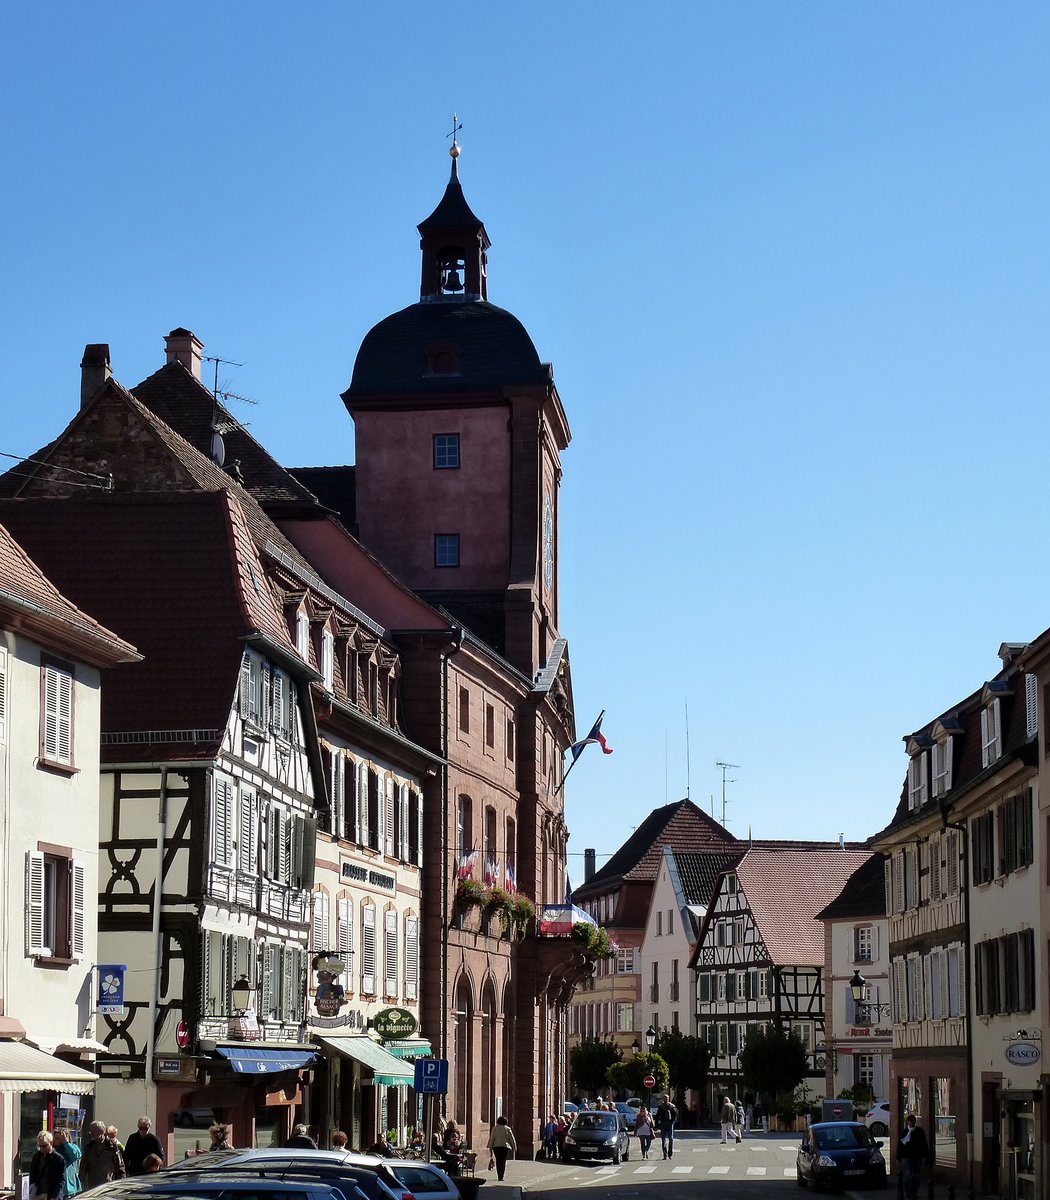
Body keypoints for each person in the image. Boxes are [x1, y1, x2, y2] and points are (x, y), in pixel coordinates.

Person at [79, 1121, 125, 1190]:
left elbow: (120, 1165)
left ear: (102, 1131)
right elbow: (83, 1165)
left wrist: (121, 1181)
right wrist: (81, 1180)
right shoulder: (89, 1147)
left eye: (94, 1131)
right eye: (91, 1131)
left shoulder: (112, 1146)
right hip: (92, 1185)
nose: (91, 1133)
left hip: (107, 1184)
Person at [897, 1114, 931, 1200]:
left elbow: (924, 1144)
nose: (911, 1123)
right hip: (906, 1157)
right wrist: (898, 1157)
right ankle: (908, 1192)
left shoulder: (920, 1131)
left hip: (917, 1157)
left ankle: (914, 1192)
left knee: (916, 1175)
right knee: (907, 1175)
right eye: (909, 1121)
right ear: (907, 1122)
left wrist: (927, 1156)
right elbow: (900, 1145)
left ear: (915, 1122)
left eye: (912, 1121)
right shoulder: (905, 1132)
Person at [29, 1131, 66, 1200]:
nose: (42, 1149)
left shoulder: (58, 1159)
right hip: (38, 1193)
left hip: (52, 1194)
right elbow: (32, 1175)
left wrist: (55, 1196)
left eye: (45, 1146)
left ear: (51, 1143)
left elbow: (61, 1180)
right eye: (40, 1146)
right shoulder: (37, 1157)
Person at [53, 1129, 82, 1199]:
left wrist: (65, 1143)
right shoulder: (52, 1149)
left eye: (58, 1138)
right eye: (55, 1138)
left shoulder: (72, 1147)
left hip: (69, 1188)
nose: (55, 1140)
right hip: (55, 1188)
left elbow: (75, 1155)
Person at [487, 1115, 517, 1181]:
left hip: (496, 1147)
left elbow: (492, 1138)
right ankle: (501, 1176)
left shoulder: (494, 1129)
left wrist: (490, 1147)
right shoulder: (507, 1129)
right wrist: (514, 1147)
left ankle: (499, 1175)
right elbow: (512, 1139)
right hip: (504, 1147)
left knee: (498, 1161)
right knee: (503, 1161)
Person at [655, 1093, 678, 1160]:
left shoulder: (672, 1107)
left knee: (671, 1139)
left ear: (668, 1099)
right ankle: (665, 1154)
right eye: (664, 1099)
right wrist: (656, 1125)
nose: (665, 1100)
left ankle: (670, 1154)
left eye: (667, 1099)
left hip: (670, 1124)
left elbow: (675, 1115)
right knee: (663, 1139)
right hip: (663, 1124)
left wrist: (673, 1122)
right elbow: (657, 1116)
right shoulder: (660, 1107)